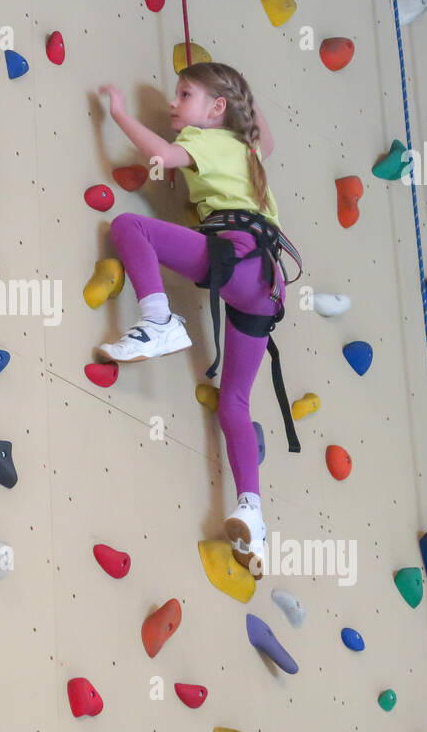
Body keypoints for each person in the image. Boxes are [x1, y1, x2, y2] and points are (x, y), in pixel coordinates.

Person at [96, 62, 302, 578]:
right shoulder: (250, 150)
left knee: (129, 226)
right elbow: (265, 136)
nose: (173, 103)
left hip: (237, 257)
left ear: (215, 110)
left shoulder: (208, 140)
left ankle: (158, 318)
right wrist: (238, 95)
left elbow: (162, 155)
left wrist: (119, 112)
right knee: (233, 401)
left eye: (184, 94)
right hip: (265, 285)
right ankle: (252, 511)